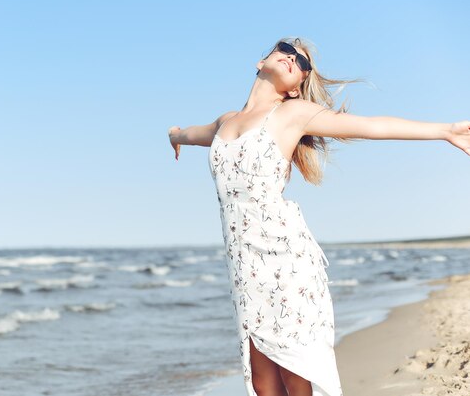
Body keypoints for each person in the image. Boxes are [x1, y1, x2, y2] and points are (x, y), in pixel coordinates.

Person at [166, 37, 470, 396]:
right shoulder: (225, 122)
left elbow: (371, 126)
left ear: (297, 88)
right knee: (263, 382)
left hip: (285, 259)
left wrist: (444, 131)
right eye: (286, 49)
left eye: (303, 62)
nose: (293, 59)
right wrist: (174, 135)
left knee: (295, 372)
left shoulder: (292, 114)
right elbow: (189, 133)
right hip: (245, 268)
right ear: (261, 60)